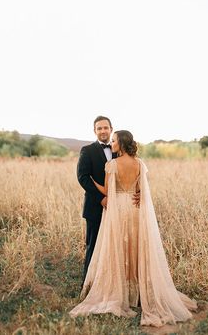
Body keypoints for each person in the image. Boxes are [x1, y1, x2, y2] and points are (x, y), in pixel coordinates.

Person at [70, 130, 197, 327]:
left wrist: (93, 182)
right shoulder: (139, 164)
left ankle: (122, 293)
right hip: (135, 208)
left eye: (114, 141)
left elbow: (107, 191)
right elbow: (141, 190)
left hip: (118, 209)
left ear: (120, 143)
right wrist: (135, 194)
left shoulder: (111, 165)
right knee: (136, 247)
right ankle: (137, 291)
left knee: (117, 248)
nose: (111, 144)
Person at [77, 117, 139, 283]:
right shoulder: (87, 150)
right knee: (94, 246)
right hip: (95, 206)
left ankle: (114, 284)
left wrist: (138, 193)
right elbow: (83, 177)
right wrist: (101, 199)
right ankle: (88, 284)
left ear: (111, 129)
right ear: (94, 131)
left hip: (120, 208)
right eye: (99, 128)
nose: (103, 131)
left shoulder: (118, 149)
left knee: (117, 247)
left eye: (106, 128)